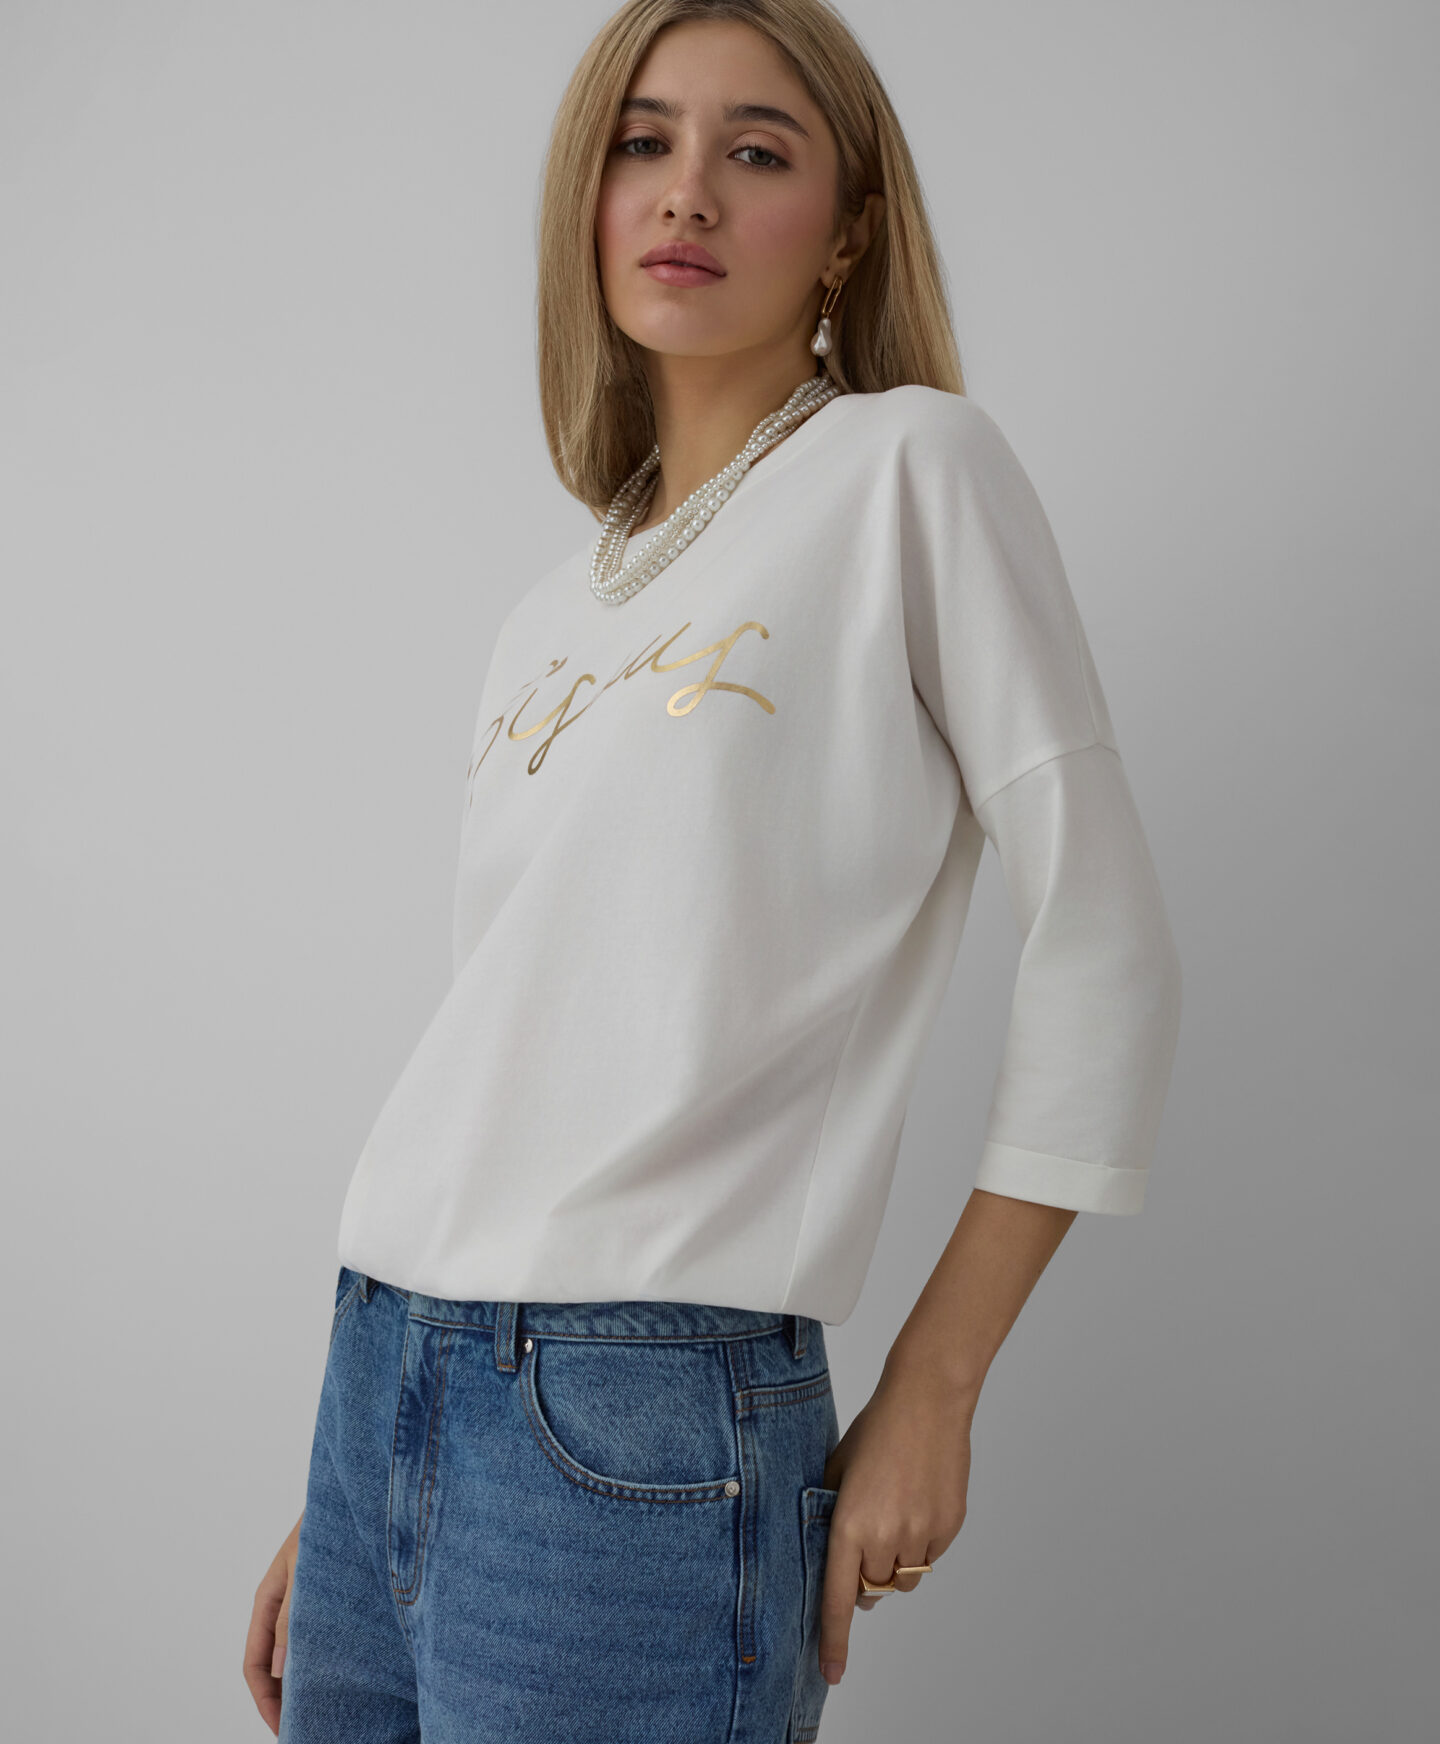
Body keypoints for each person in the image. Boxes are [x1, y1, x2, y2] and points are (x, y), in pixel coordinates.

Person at [244, 2, 1183, 1738]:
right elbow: (521, 1041)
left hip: (638, 1413)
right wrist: (373, 1497)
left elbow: (1107, 933)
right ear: (587, 199)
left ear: (849, 232)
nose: (686, 192)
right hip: (390, 1382)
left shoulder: (911, 468)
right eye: (642, 142)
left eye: (757, 151)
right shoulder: (553, 607)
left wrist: (936, 1382)